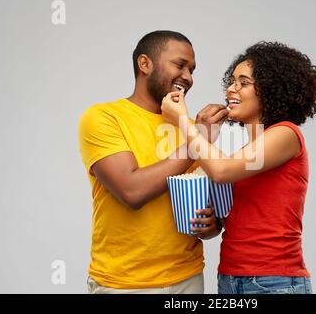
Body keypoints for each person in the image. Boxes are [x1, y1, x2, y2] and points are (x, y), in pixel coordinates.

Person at [161, 41, 316, 294]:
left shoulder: (286, 134)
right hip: (230, 278)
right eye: (232, 81)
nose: (231, 89)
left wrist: (182, 119)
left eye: (243, 83)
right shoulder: (245, 152)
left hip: (274, 282)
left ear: (271, 90)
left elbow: (221, 170)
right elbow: (244, 216)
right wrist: (214, 225)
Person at [78, 30, 227, 294]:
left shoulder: (191, 129)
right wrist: (198, 141)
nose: (188, 77)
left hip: (189, 278)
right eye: (180, 65)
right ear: (145, 64)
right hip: (125, 284)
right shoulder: (103, 117)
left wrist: (212, 224)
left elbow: (206, 197)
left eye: (192, 70)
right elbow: (132, 191)